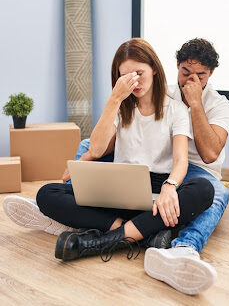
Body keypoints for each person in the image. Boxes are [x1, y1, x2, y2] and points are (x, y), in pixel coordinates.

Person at [3, 38, 215, 293]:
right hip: (119, 186)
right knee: (47, 194)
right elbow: (95, 149)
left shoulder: (176, 108)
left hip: (156, 191)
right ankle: (145, 235)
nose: (133, 81)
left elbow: (181, 160)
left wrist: (171, 186)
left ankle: (101, 240)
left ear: (155, 69)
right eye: (125, 76)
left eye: (139, 73)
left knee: (203, 189)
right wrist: (114, 100)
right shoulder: (120, 104)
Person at [62, 38, 229, 295]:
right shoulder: (161, 90)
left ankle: (183, 249)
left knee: (218, 192)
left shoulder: (219, 105)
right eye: (186, 73)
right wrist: (85, 158)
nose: (191, 81)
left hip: (195, 169)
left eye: (201, 75)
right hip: (151, 162)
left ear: (211, 74)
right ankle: (71, 198)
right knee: (88, 144)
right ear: (176, 66)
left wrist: (195, 104)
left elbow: (209, 154)